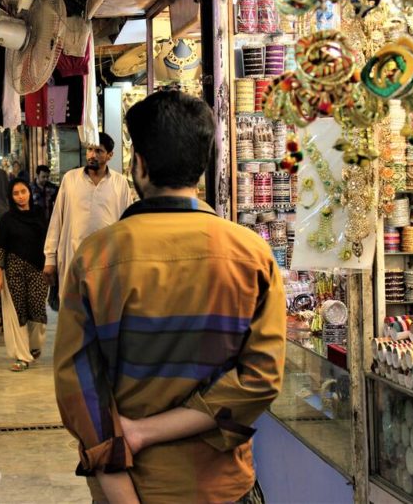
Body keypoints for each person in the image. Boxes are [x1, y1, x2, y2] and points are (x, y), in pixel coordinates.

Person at [54, 91, 286, 503]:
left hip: (133, 485)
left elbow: (79, 386)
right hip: (223, 487)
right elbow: (261, 379)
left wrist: (124, 481)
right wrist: (152, 430)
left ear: (138, 164)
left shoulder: (96, 258)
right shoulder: (252, 254)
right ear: (203, 163)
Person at [42, 132, 134, 295]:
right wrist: (50, 258)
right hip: (73, 256)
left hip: (107, 260)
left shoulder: (120, 184)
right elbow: (57, 219)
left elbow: (128, 224)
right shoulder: (70, 179)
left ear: (110, 155)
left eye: (98, 151)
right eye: (90, 150)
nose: (92, 155)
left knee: (104, 310)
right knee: (73, 311)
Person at [0, 180, 48, 372]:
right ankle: (22, 357)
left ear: (30, 192)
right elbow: (1, 246)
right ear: (11, 196)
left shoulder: (40, 214)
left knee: (37, 311)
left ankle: (34, 346)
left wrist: (52, 265)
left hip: (38, 268)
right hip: (14, 268)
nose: (21, 196)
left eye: (23, 192)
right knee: (18, 313)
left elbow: (50, 240)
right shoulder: (7, 219)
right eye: (16, 193)